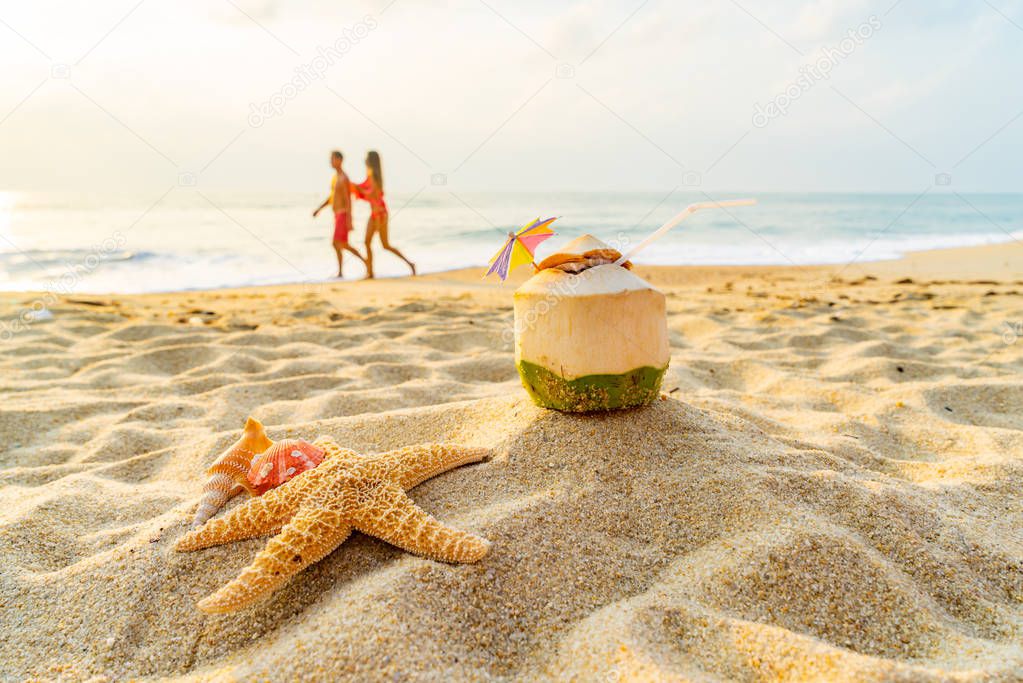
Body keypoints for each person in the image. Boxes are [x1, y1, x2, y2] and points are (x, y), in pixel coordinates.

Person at [352, 150, 415, 278]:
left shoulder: (374, 175)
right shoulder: (371, 174)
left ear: (370, 160)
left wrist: (356, 188)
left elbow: (370, 194)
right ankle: (370, 272)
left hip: (380, 213)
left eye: (367, 158)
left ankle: (410, 264)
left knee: (384, 245)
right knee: (368, 242)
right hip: (375, 213)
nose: (365, 160)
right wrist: (355, 187)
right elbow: (366, 191)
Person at [313, 150, 367, 278]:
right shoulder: (335, 178)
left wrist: (349, 220)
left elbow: (348, 200)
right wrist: (319, 208)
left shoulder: (344, 178)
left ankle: (365, 262)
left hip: (343, 214)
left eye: (332, 159)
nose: (330, 162)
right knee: (339, 244)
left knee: (340, 243)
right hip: (337, 215)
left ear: (339, 160)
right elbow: (332, 197)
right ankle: (342, 271)